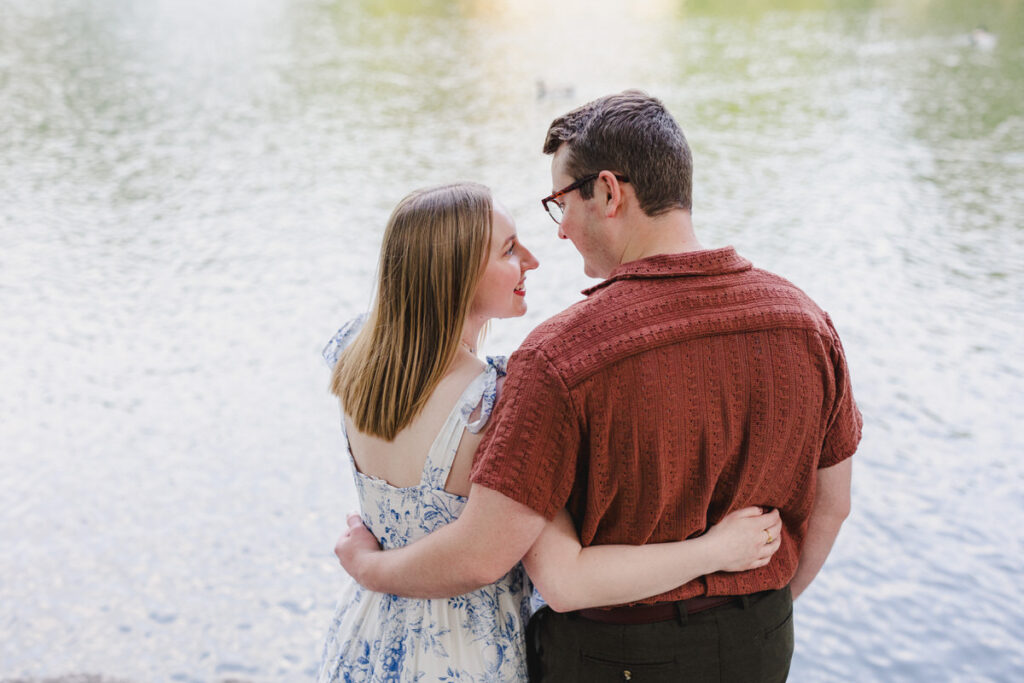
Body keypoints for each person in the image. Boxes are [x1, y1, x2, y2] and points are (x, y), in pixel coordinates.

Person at [337, 91, 862, 682]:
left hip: (614, 658)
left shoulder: (559, 357)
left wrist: (368, 568)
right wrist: (763, 613)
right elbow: (833, 505)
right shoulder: (807, 324)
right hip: (760, 641)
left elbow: (526, 568)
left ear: (609, 192)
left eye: (560, 204)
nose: (558, 233)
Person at [317, 182, 783, 682]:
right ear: (454, 275)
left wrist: (367, 568)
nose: (532, 259)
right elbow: (561, 576)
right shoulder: (495, 402)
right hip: (465, 654)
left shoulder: (355, 354)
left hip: (367, 634)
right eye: (509, 250)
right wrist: (714, 550)